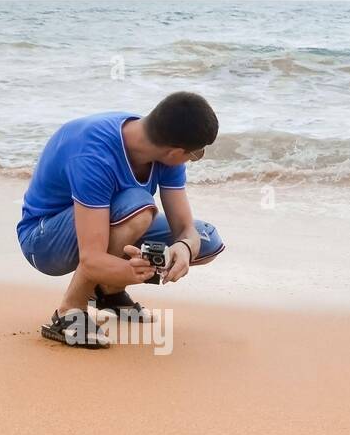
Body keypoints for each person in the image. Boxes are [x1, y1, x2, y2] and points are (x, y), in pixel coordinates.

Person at [16, 91, 226, 347]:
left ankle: (108, 293)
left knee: (207, 238)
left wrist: (184, 248)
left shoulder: (164, 151)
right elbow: (91, 258)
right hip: (43, 239)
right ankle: (70, 311)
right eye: (196, 154)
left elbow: (185, 228)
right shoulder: (93, 155)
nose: (194, 159)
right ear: (175, 152)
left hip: (108, 222)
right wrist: (130, 272)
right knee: (138, 205)